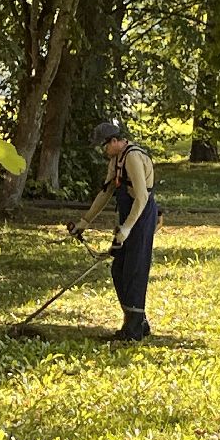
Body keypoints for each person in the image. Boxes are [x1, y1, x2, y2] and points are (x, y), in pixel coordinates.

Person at [69, 120, 158, 341]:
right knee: (119, 270)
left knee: (134, 271)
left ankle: (133, 331)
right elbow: (106, 192)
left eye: (104, 146)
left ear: (115, 141)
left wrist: (127, 229)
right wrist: (84, 222)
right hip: (127, 217)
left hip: (141, 217)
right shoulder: (116, 160)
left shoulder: (133, 157)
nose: (103, 151)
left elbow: (142, 197)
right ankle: (137, 321)